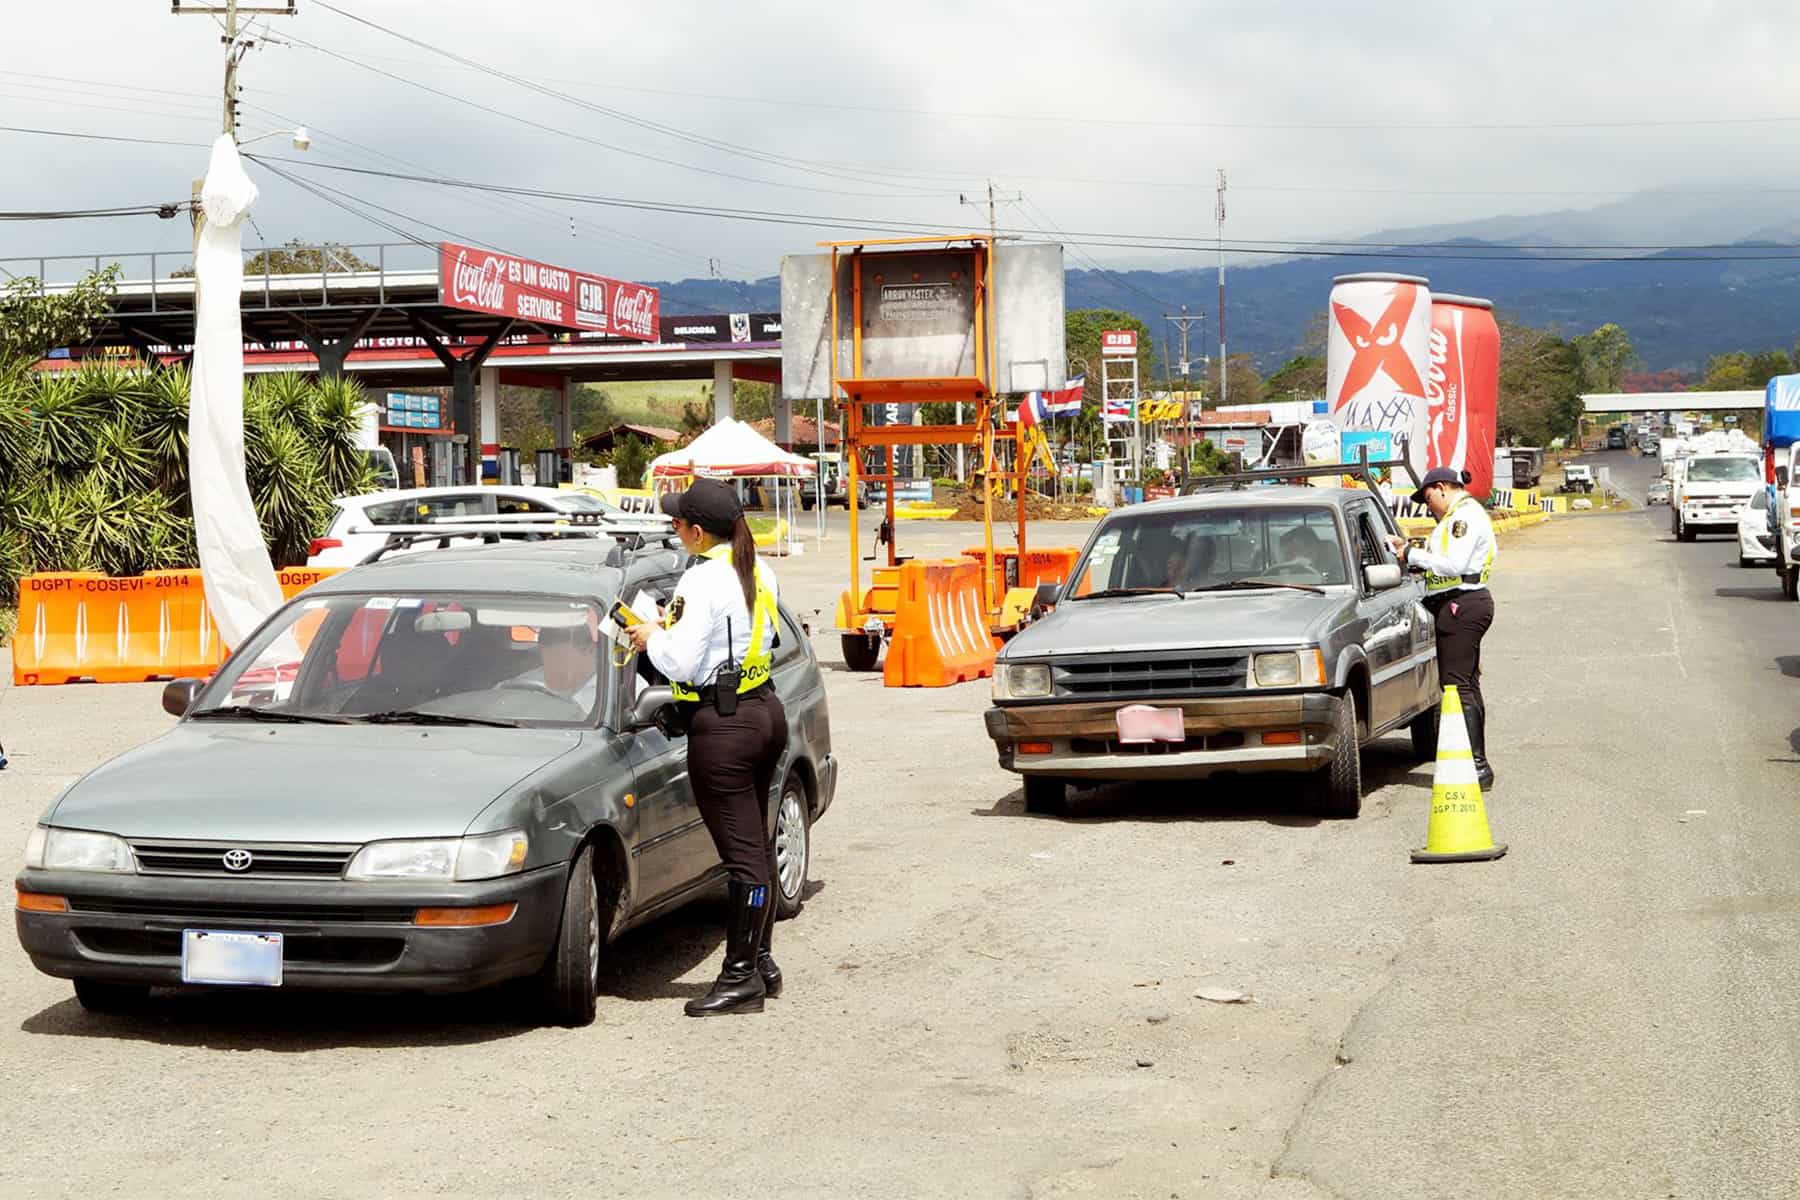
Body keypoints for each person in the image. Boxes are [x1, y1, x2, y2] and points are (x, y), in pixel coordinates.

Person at [625, 479, 788, 1017]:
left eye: (677, 522)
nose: (673, 528)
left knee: (743, 857)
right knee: (757, 847)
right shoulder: (759, 570)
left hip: (724, 727)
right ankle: (759, 961)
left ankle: (741, 975)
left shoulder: (701, 580)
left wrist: (651, 637)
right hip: (764, 711)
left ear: (697, 532)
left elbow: (682, 663)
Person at [1388, 467, 1498, 787]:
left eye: (1427, 499)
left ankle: (1476, 766)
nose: (1427, 506)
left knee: (1457, 687)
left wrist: (1411, 554)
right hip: (1460, 603)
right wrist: (1411, 549)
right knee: (1466, 684)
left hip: (1461, 605)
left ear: (1440, 489)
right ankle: (1476, 764)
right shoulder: (1455, 518)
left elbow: (1455, 565)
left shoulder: (1463, 517)